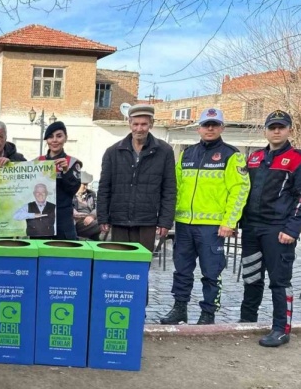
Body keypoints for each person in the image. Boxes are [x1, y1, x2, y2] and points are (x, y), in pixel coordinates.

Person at [160, 108, 250, 325]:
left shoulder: (232, 155)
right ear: (198, 128)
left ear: (222, 127)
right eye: (206, 125)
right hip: (184, 224)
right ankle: (179, 308)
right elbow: (175, 188)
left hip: (212, 227)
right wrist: (168, 218)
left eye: (215, 124)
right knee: (181, 270)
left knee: (211, 273)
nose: (210, 128)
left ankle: (208, 313)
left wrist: (230, 222)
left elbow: (240, 190)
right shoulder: (187, 154)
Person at [239, 110, 301, 347]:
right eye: (272, 127)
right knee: (251, 277)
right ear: (265, 130)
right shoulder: (254, 158)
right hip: (252, 230)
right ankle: (246, 321)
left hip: (278, 231)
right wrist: (236, 222)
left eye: (281, 127)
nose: (276, 131)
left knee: (280, 281)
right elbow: (242, 193)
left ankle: (281, 329)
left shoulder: (297, 159)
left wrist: (293, 229)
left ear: (289, 130)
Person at [97, 104, 176, 251]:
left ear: (151, 124)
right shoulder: (113, 152)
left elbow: (169, 189)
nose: (139, 129)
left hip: (147, 220)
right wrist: (102, 217)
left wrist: (165, 221)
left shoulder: (164, 151)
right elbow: (104, 188)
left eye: (144, 124)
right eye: (136, 124)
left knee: (141, 265)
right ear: (129, 124)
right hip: (119, 219)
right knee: (119, 265)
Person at [37, 121, 82, 240]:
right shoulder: (37, 162)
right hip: (40, 218)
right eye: (51, 137)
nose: (55, 140)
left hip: (63, 219)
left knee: (64, 255)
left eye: (59, 136)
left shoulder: (72, 162)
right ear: (46, 140)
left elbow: (73, 190)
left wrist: (66, 171)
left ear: (66, 138)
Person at [73, 172, 100, 240]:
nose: (86, 187)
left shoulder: (91, 194)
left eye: (87, 184)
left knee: (103, 221)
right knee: (102, 224)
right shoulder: (70, 195)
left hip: (91, 219)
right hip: (77, 222)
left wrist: (92, 215)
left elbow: (98, 207)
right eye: (84, 184)